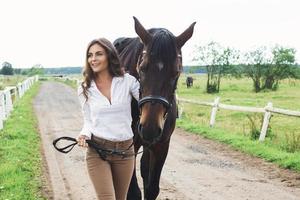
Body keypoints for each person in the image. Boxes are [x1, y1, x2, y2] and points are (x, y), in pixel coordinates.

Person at [77, 38, 139, 200]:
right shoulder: (85, 87)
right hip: (98, 151)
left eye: (99, 54)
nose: (93, 59)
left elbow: (148, 102)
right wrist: (84, 134)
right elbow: (88, 120)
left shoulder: (128, 82)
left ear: (110, 56)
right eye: (90, 55)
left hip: (125, 151)